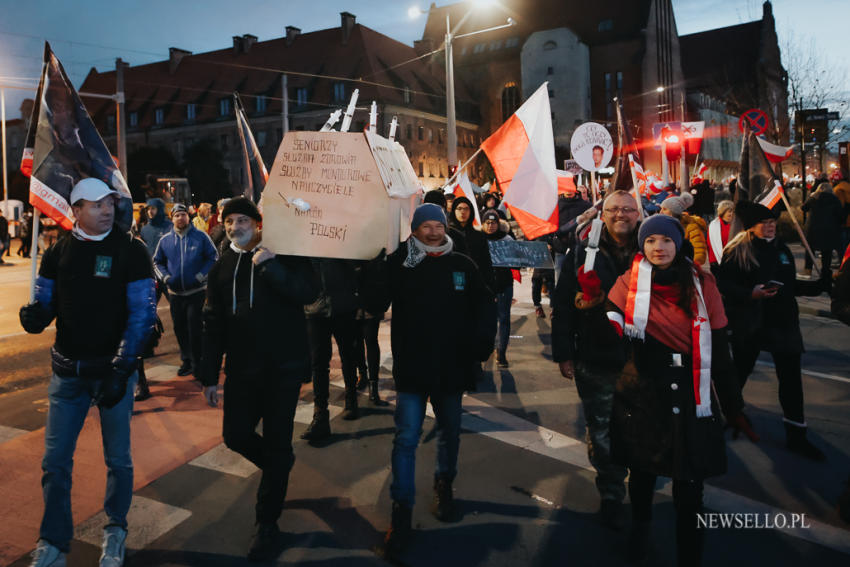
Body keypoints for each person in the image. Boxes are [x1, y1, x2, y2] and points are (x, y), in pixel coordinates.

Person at [585, 214, 739, 565]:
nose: (659, 247)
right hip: (642, 391)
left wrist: (734, 405)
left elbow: (720, 349)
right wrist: (594, 302)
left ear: (678, 243)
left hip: (691, 394)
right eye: (651, 241)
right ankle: (640, 530)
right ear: (642, 245)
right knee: (641, 473)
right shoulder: (627, 284)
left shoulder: (703, 284)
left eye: (666, 240)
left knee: (690, 484)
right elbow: (606, 339)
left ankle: (690, 552)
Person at [19, 178, 156, 567]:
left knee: (119, 460)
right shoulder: (58, 252)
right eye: (96, 205)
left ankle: (115, 530)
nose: (107, 210)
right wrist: (34, 317)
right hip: (67, 374)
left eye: (109, 203)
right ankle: (53, 541)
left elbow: (142, 315)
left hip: (112, 373)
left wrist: (122, 367)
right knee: (55, 462)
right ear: (75, 210)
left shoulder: (131, 250)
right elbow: (45, 304)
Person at [199, 196, 318, 562]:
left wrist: (271, 267)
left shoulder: (283, 252)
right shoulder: (221, 268)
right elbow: (213, 322)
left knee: (279, 439)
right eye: (230, 220)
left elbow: (308, 293)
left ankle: (266, 523)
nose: (236, 226)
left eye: (243, 220)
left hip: (282, 368)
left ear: (257, 222)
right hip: (242, 371)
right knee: (235, 436)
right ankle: (278, 465)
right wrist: (208, 375)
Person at [377, 204, 496, 558]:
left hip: (451, 369)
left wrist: (479, 348)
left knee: (450, 432)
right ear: (413, 230)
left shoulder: (462, 264)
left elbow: (485, 305)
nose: (432, 232)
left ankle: (444, 483)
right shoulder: (400, 264)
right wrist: (376, 265)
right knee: (406, 439)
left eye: (437, 225)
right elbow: (374, 300)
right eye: (424, 226)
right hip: (412, 369)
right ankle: (402, 512)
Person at [551, 190, 640, 530]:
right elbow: (562, 306)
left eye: (628, 209)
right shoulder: (583, 251)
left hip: (643, 359)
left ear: (638, 213)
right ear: (603, 214)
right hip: (596, 357)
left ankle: (640, 481)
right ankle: (612, 493)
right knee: (602, 430)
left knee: (640, 426)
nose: (621, 215)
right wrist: (564, 354)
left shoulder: (656, 246)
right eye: (614, 209)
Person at [715, 201, 827, 461]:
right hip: (750, 323)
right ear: (751, 227)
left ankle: (796, 436)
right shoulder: (737, 250)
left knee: (790, 381)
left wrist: (817, 286)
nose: (770, 227)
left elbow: (789, 286)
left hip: (783, 324)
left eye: (773, 223)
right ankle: (732, 415)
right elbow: (723, 284)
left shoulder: (782, 249)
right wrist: (749, 294)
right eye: (764, 224)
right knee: (738, 373)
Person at [300, 259, 363, 443]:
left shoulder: (341, 237)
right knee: (318, 363)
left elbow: (357, 265)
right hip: (315, 308)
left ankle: (351, 398)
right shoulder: (307, 237)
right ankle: (320, 415)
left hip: (343, 304)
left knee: (348, 356)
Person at [153, 203, 218, 377]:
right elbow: (157, 262)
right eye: (177, 215)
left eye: (183, 214)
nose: (180, 218)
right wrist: (166, 277)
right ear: (172, 218)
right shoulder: (165, 240)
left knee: (195, 328)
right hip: (175, 295)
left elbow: (213, 258)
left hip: (196, 293)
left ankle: (198, 363)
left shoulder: (201, 237)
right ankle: (187, 361)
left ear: (188, 217)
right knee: (180, 328)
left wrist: (200, 276)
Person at [482, 210, 514, 367]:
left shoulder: (507, 239)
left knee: (504, 319)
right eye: (487, 223)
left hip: (504, 284)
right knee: (488, 319)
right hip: (486, 286)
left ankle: (501, 352)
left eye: (493, 223)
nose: (490, 226)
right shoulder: (479, 239)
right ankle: (487, 348)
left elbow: (517, 259)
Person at [449, 195, 495, 290]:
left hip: (475, 280)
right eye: (459, 208)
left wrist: (491, 286)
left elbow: (486, 263)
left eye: (466, 209)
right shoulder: (448, 235)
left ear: (471, 211)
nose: (463, 212)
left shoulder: (479, 236)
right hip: (453, 281)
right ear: (454, 211)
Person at [802, 182, 844, 283]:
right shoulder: (834, 199)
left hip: (813, 228)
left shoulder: (813, 197)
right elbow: (840, 215)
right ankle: (825, 272)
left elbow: (803, 208)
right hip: (829, 229)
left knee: (810, 249)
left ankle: (808, 270)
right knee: (827, 251)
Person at [661, 193, 708, 266]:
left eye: (664, 209)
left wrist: (692, 267)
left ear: (673, 211)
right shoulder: (663, 226)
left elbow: (699, 251)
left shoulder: (691, 226)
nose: (660, 212)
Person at [707, 200, 734, 269]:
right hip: (716, 261)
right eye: (729, 212)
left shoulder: (734, 225)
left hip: (731, 261)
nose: (732, 214)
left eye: (733, 211)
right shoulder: (714, 225)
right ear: (723, 213)